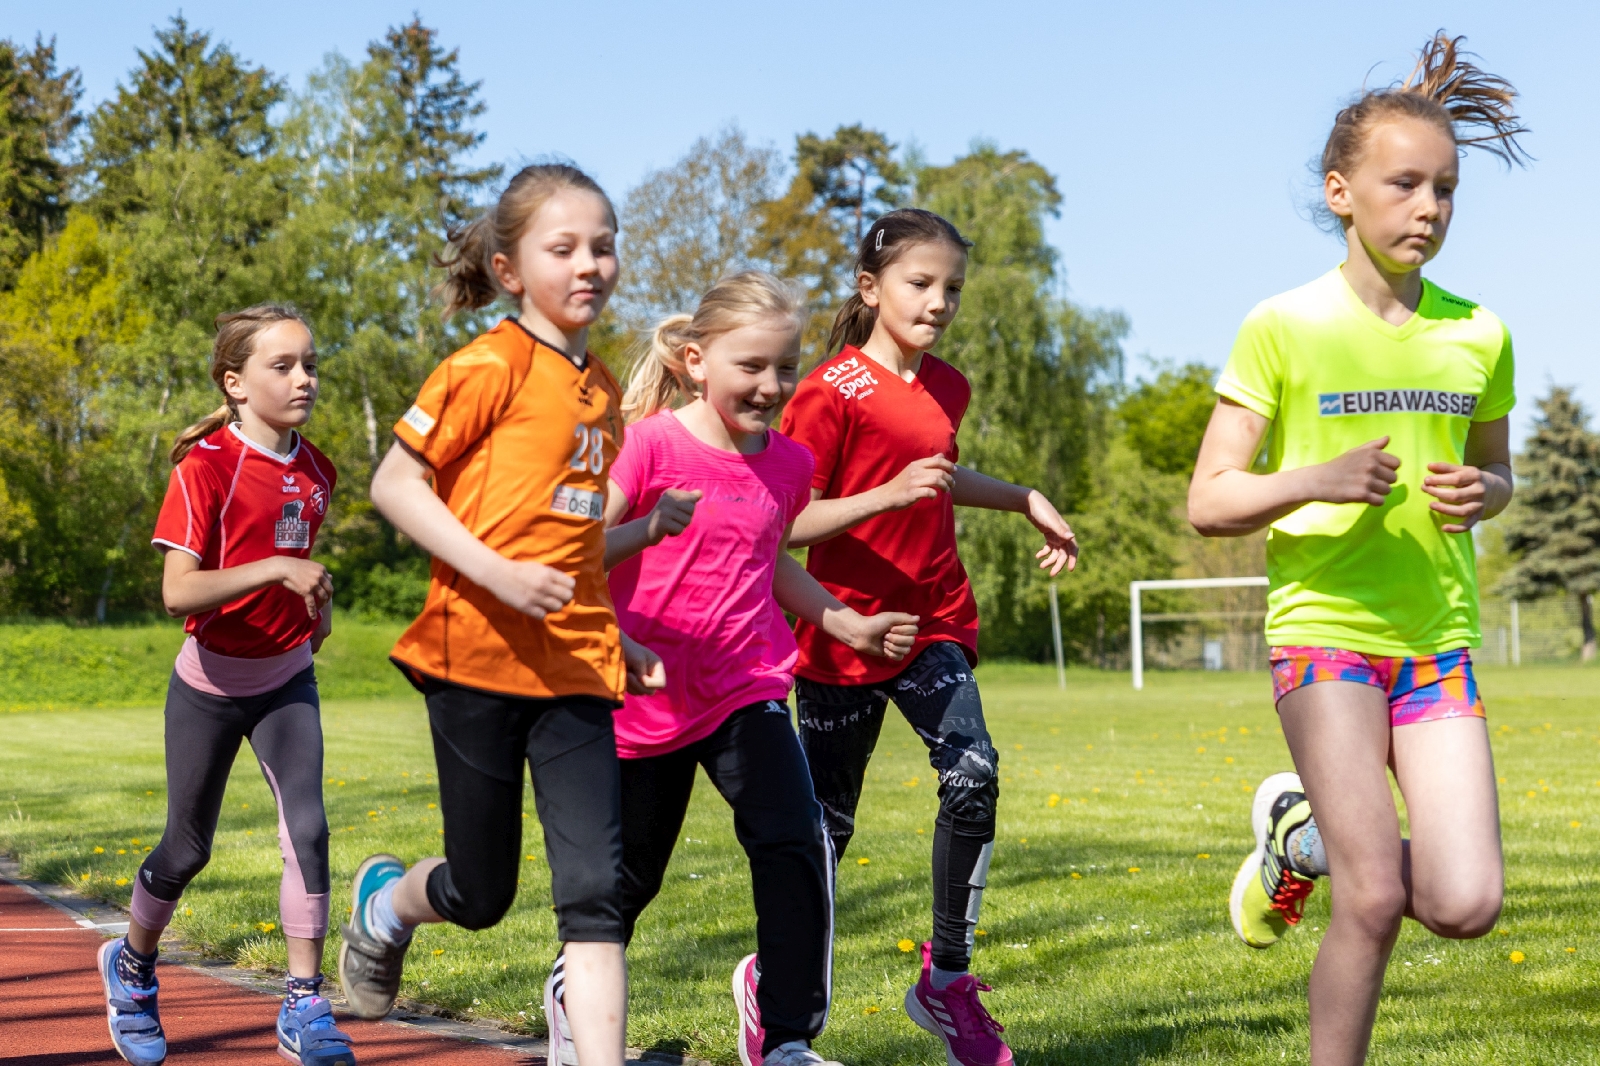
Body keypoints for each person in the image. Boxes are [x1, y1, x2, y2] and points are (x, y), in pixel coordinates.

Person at [1187, 33, 1525, 1066]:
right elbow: (1208, 498)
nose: (1427, 207)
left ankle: (1301, 841)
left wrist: (1488, 492)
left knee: (1466, 902)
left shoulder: (1479, 334)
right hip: (1325, 635)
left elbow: (1497, 472)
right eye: (1404, 184)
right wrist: (1312, 480)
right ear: (1341, 191)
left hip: (1437, 639)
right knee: (1375, 895)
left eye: (1446, 189)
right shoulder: (1281, 326)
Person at [540, 270, 920, 1066]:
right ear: (695, 359)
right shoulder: (647, 445)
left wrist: (846, 621)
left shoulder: (788, 463)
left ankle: (785, 1039)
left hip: (747, 688)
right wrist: (642, 543)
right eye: (751, 367)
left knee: (794, 841)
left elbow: (772, 557)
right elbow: (573, 552)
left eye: (784, 368)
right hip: (642, 699)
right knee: (629, 880)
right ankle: (575, 990)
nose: (771, 386)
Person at [341, 164, 660, 1066]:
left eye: (603, 244)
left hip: (576, 669)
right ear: (510, 268)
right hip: (471, 658)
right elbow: (395, 484)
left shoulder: (602, 389)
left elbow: (571, 537)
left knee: (596, 896)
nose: (590, 263)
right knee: (482, 895)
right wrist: (496, 573)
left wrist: (619, 635)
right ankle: (386, 905)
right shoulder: (484, 366)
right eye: (563, 248)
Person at [779, 208, 1079, 1066]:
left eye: (951, 286)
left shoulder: (948, 386)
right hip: (844, 629)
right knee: (825, 834)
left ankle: (946, 984)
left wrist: (1022, 495)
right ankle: (777, 991)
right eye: (920, 283)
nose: (938, 300)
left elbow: (938, 477)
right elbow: (789, 522)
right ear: (871, 289)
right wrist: (889, 495)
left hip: (934, 619)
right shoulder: (828, 391)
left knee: (974, 776)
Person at [98, 304, 350, 1066]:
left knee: (307, 831)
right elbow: (179, 593)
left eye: (310, 363)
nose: (304, 378)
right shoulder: (205, 467)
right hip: (208, 684)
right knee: (186, 848)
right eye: (284, 366)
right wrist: (276, 569)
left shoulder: (319, 470)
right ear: (235, 383)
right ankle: (133, 966)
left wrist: (317, 606)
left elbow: (296, 560)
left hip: (287, 681)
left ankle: (304, 1005)